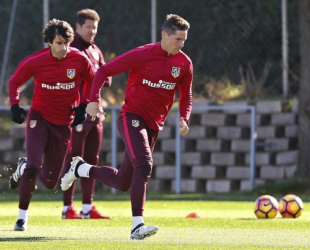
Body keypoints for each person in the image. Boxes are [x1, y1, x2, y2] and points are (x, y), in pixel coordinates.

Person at [61, 14, 192, 240]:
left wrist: (184, 117)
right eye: (178, 39)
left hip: (154, 124)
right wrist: (92, 100)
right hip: (132, 117)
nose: (181, 45)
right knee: (144, 164)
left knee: (123, 182)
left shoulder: (184, 63)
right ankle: (137, 226)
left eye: (184, 40)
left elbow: (186, 95)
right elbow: (103, 72)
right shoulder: (142, 54)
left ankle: (81, 169)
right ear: (164, 35)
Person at [8, 19, 95, 231]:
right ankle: (22, 218)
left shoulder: (80, 59)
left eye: (66, 42)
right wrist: (15, 106)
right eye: (58, 43)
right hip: (39, 118)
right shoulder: (35, 60)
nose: (63, 48)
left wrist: (84, 105)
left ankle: (22, 167)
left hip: (63, 123)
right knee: (34, 165)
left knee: (49, 182)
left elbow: (93, 80)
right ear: (49, 42)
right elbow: (14, 82)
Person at [61, 9, 112, 220]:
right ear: (78, 27)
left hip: (95, 115)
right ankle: (67, 208)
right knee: (74, 160)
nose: (92, 31)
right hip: (78, 114)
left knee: (92, 160)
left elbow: (104, 79)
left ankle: (87, 207)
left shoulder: (96, 51)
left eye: (95, 28)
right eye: (88, 27)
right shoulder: (71, 50)